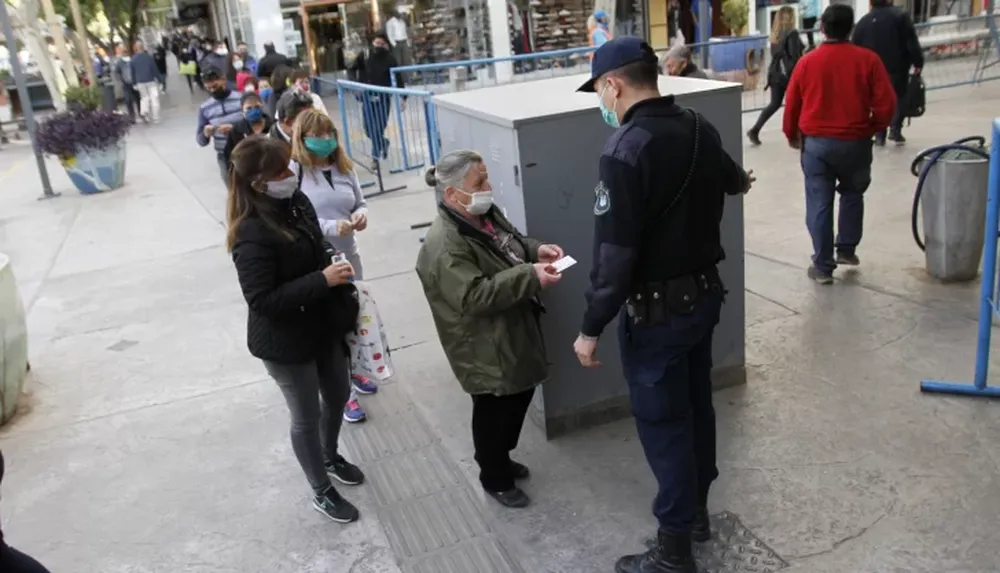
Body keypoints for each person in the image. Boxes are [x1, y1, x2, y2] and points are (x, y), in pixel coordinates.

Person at [574, 37, 753, 573]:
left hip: (656, 316)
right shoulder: (699, 127)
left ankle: (674, 551)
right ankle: (696, 515)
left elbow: (614, 257)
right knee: (696, 409)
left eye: (599, 90)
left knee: (664, 425)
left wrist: (590, 328)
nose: (601, 101)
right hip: (703, 300)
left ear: (613, 84)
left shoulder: (624, 150)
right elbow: (734, 180)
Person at [227, 135, 365, 524]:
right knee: (306, 415)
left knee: (337, 394)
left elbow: (317, 243)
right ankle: (321, 489)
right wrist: (322, 280)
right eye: (281, 171)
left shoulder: (296, 201)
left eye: (289, 165)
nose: (291, 173)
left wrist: (331, 259)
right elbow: (262, 300)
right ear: (259, 184)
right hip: (285, 342)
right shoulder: (250, 233)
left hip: (322, 323)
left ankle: (329, 455)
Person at [415, 150, 564, 509]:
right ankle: (494, 475)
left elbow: (510, 245)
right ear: (453, 194)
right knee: (494, 407)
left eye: (486, 177)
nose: (488, 186)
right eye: (479, 181)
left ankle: (499, 457)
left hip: (507, 328)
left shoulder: (482, 214)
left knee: (517, 394)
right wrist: (529, 276)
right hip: (480, 342)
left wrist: (536, 251)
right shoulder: (445, 245)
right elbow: (473, 296)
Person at [784, 5, 895, 284]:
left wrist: (791, 134)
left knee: (819, 202)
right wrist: (872, 127)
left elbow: (792, 103)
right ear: (851, 28)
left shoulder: (807, 62)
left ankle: (822, 266)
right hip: (856, 142)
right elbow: (887, 103)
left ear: (822, 28)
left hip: (817, 145)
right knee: (853, 194)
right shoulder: (868, 60)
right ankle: (846, 248)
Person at [290, 108, 377, 423]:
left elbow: (360, 202)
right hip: (319, 261)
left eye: (329, 134)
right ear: (303, 138)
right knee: (332, 325)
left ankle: (354, 372)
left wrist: (360, 215)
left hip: (349, 254)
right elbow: (294, 218)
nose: (325, 140)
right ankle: (343, 394)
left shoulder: (343, 167)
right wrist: (329, 226)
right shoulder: (295, 172)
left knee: (353, 316)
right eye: (317, 135)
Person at [852, 0, 923, 145]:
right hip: (897, 66)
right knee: (899, 97)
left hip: (873, 69)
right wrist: (918, 61)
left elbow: (855, 46)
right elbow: (911, 41)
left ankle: (880, 133)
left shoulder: (863, 22)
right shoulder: (900, 16)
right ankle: (895, 129)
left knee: (878, 100)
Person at [746, 6, 804, 145]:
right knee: (799, 103)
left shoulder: (775, 35)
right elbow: (794, 57)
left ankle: (755, 130)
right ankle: (799, 134)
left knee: (774, 104)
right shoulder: (792, 33)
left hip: (775, 74)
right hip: (789, 74)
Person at [350, 33, 402, 167]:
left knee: (378, 128)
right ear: (372, 43)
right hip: (367, 97)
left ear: (386, 45)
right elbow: (351, 70)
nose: (378, 46)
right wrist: (355, 87)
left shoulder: (390, 59)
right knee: (368, 130)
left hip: (383, 98)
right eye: (376, 43)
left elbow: (398, 78)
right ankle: (383, 143)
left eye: (381, 44)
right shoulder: (365, 55)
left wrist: (404, 98)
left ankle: (375, 158)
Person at [195, 67, 245, 183]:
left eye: (214, 82)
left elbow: (254, 123)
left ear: (223, 79)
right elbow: (201, 141)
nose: (212, 87)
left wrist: (235, 128)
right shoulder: (205, 108)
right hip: (224, 155)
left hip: (245, 149)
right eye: (208, 84)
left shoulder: (241, 98)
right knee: (232, 187)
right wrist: (205, 134)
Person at [223, 91, 274, 166]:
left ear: (262, 107)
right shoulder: (237, 131)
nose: (253, 111)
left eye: (257, 107)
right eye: (249, 108)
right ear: (242, 111)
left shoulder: (273, 126)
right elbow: (229, 156)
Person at [130, 41, 163, 124]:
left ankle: (145, 113)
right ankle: (156, 117)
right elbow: (155, 69)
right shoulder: (149, 57)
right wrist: (160, 80)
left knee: (144, 98)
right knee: (154, 99)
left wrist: (134, 83)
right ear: (143, 47)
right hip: (150, 80)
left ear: (136, 48)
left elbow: (132, 72)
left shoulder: (133, 59)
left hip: (140, 82)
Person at [113, 47, 139, 122]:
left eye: (125, 52)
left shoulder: (132, 60)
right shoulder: (120, 62)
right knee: (128, 100)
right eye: (123, 52)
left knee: (137, 98)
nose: (124, 53)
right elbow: (116, 72)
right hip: (126, 83)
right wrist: (120, 80)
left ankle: (140, 113)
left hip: (134, 82)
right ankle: (132, 116)